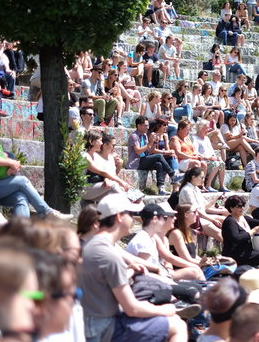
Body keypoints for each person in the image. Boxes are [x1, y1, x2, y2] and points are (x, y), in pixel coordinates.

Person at [79, 194, 187, 342]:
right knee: (177, 325)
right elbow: (132, 308)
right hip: (102, 328)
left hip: (91, 323)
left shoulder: (93, 245)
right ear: (119, 217)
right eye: (130, 214)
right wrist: (166, 310)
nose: (134, 219)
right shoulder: (108, 254)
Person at [127, 116, 178, 195]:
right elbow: (138, 151)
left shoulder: (144, 135)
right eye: (145, 125)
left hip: (144, 159)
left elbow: (150, 150)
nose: (148, 127)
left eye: (148, 125)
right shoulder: (134, 136)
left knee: (159, 164)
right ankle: (173, 175)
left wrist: (154, 143)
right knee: (159, 156)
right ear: (139, 126)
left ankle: (161, 188)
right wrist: (149, 143)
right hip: (136, 162)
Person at [222, 195, 259, 272]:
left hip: (246, 251)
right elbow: (236, 239)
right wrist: (252, 231)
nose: (242, 208)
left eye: (243, 206)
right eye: (239, 206)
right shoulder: (230, 221)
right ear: (231, 208)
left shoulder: (245, 219)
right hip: (235, 254)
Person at [178, 167, 225, 242]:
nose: (203, 180)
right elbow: (196, 211)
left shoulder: (196, 189)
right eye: (202, 177)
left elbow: (203, 207)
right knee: (219, 233)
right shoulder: (187, 190)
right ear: (193, 177)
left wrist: (215, 201)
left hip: (201, 217)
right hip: (193, 219)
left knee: (226, 220)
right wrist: (212, 220)